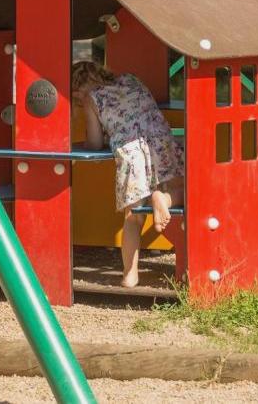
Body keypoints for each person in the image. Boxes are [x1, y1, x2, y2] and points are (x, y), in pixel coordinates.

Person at [71, 61, 184, 288]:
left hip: (132, 155)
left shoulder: (91, 98)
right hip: (162, 144)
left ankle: (130, 275)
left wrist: (92, 136)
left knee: (133, 218)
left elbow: (94, 143)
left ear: (77, 92)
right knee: (183, 191)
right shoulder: (131, 79)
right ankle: (165, 198)